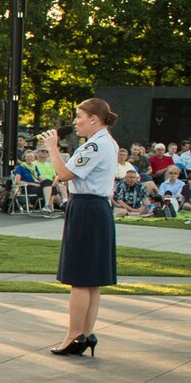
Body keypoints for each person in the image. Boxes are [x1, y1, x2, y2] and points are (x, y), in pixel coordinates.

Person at [40, 98, 119, 357]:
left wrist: (52, 147)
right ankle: (85, 333)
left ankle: (73, 335)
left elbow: (64, 174)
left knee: (79, 278)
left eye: (79, 116)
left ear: (94, 119)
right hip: (97, 208)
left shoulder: (95, 145)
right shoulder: (107, 142)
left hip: (86, 209)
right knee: (92, 279)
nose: (75, 121)